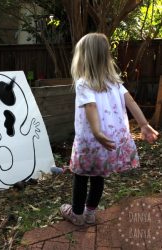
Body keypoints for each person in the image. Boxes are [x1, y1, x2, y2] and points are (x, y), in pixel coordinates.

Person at [60, 33, 159, 226]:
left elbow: (90, 106)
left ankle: (77, 215)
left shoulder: (84, 83)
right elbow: (130, 101)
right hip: (110, 141)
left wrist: (96, 132)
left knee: (81, 176)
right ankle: (90, 213)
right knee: (99, 176)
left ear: (83, 57)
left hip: (91, 141)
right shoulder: (115, 82)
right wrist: (144, 124)